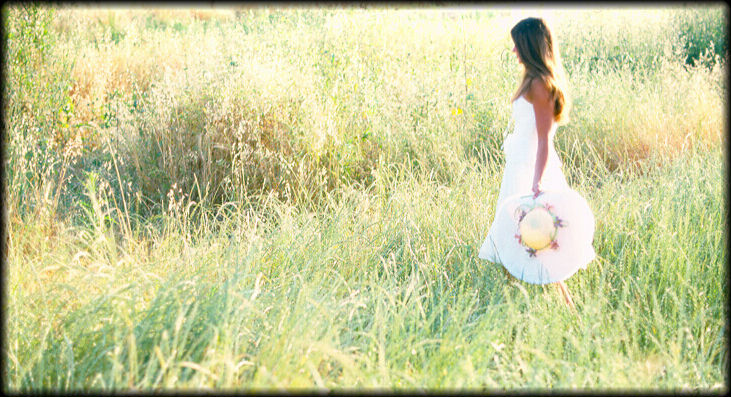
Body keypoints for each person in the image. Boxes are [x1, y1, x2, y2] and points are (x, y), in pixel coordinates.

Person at [478, 17, 595, 308]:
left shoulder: (541, 84)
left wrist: (537, 182)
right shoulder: (530, 79)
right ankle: (515, 308)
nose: (514, 51)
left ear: (529, 46)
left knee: (528, 239)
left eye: (517, 45)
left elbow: (545, 139)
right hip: (517, 164)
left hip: (529, 168)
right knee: (516, 239)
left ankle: (559, 309)